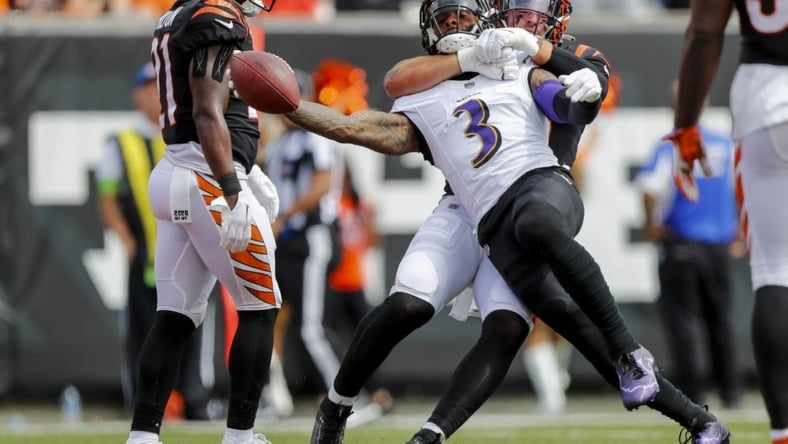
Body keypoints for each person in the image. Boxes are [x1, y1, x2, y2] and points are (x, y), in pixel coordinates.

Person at [269, 2, 725, 444]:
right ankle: (336, 405)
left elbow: (572, 99)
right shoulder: (432, 84)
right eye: (445, 17)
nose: (525, 19)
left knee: (522, 322)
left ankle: (691, 415)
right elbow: (375, 106)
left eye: (463, 15)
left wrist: (572, 89)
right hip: (470, 210)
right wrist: (284, 104)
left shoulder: (527, 64)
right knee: (409, 304)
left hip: (536, 195)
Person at [124, 0, 282, 442]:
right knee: (260, 306)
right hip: (207, 177)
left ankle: (142, 436)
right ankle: (240, 437)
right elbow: (207, 111)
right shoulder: (215, 15)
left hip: (178, 170)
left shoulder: (178, 12)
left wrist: (249, 168)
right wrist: (234, 188)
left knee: (174, 316)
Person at [669, 1, 788, 441]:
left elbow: (703, 30)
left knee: (775, 270)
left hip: (766, 96)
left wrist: (685, 127)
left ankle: (784, 432)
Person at [96, 62, 213, 422]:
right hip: (146, 256)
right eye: (147, 88)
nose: (154, 95)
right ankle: (145, 406)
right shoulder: (123, 141)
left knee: (194, 331)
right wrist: (128, 241)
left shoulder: (188, 134)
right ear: (136, 94)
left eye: (158, 87)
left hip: (189, 254)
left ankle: (196, 400)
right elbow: (108, 200)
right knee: (145, 335)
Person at [635, 81, 742, 408]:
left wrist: (651, 225)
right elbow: (740, 188)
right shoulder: (724, 143)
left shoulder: (672, 145)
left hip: (682, 243)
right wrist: (737, 231)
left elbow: (649, 187)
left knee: (684, 321)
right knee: (721, 318)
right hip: (719, 245)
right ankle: (731, 390)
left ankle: (695, 390)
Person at [264, 69, 345, 398]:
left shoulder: (316, 135)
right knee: (271, 319)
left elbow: (323, 182)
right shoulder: (282, 140)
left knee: (312, 328)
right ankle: (275, 395)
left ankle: (347, 398)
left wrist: (285, 215)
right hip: (286, 239)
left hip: (311, 236)